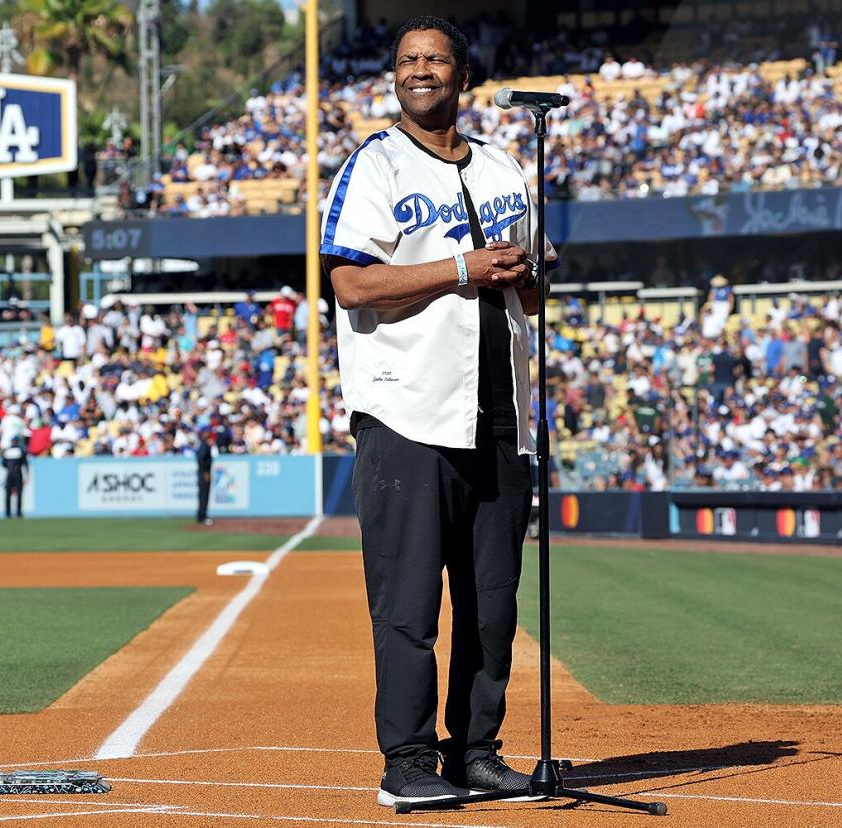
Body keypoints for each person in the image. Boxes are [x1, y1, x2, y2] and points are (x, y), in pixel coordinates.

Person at [320, 15, 557, 809]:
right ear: (397, 77)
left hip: (497, 414)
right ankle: (409, 760)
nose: (421, 70)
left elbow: (533, 294)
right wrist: (462, 265)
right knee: (410, 603)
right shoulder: (376, 165)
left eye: (436, 59)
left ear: (462, 75)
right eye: (408, 60)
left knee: (492, 604)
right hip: (408, 413)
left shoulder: (504, 167)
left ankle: (477, 750)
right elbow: (350, 285)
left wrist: (527, 274)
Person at [1, 437, 28, 519]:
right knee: (16, 493)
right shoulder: (20, 450)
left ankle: (11, 513)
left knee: (10, 494)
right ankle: (15, 513)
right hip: (16, 473)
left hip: (10, 473)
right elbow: (25, 463)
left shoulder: (7, 451)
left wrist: (9, 467)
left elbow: (3, 463)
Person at [195, 426, 214, 526]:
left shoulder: (204, 443)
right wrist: (205, 472)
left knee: (204, 495)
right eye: (207, 432)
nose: (208, 433)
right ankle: (202, 517)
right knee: (204, 495)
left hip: (203, 472)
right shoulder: (203, 444)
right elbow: (201, 459)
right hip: (203, 473)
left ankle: (201, 516)